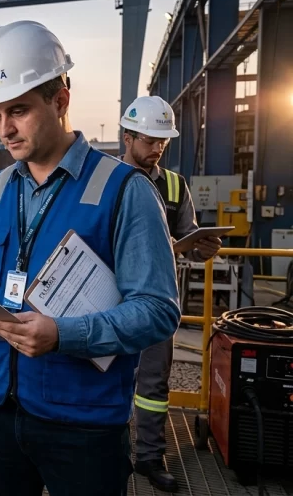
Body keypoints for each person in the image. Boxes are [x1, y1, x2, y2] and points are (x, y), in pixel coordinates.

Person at [0, 20, 181, 495]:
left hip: (83, 425)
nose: (5, 129)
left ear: (60, 101)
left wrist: (64, 334)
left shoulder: (125, 191)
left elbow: (159, 311)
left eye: (18, 111)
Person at [120, 95, 222, 492]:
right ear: (128, 137)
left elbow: (188, 235)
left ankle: (148, 456)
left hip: (157, 302)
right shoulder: (106, 180)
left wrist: (202, 247)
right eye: (150, 139)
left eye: (163, 140)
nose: (158, 148)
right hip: (110, 300)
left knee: (153, 384)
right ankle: (104, 450)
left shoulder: (175, 185)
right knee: (101, 375)